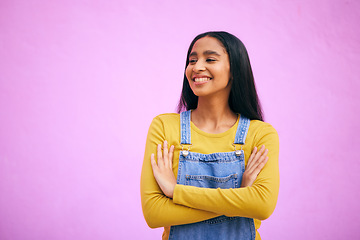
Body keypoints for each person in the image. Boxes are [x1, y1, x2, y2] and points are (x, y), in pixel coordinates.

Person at [140, 31, 279, 240]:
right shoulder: (164, 127)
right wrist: (239, 196)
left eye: (210, 59)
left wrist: (175, 191)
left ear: (235, 70)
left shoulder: (260, 134)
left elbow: (262, 205)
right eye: (192, 60)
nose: (196, 67)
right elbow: (154, 213)